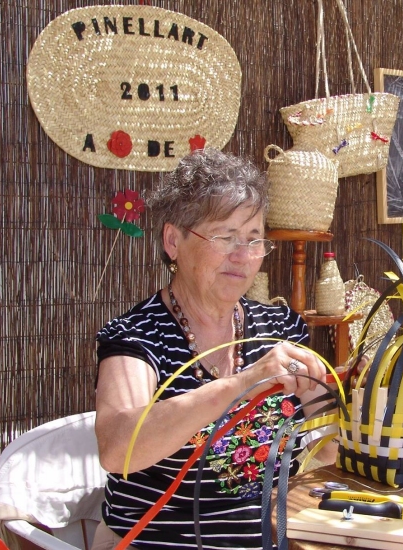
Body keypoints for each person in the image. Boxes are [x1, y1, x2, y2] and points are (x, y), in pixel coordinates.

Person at [92, 147, 330, 550]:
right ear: (173, 240)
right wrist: (244, 383)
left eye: (254, 240)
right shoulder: (137, 337)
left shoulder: (280, 330)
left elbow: (329, 445)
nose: (243, 256)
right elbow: (118, 449)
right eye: (225, 237)